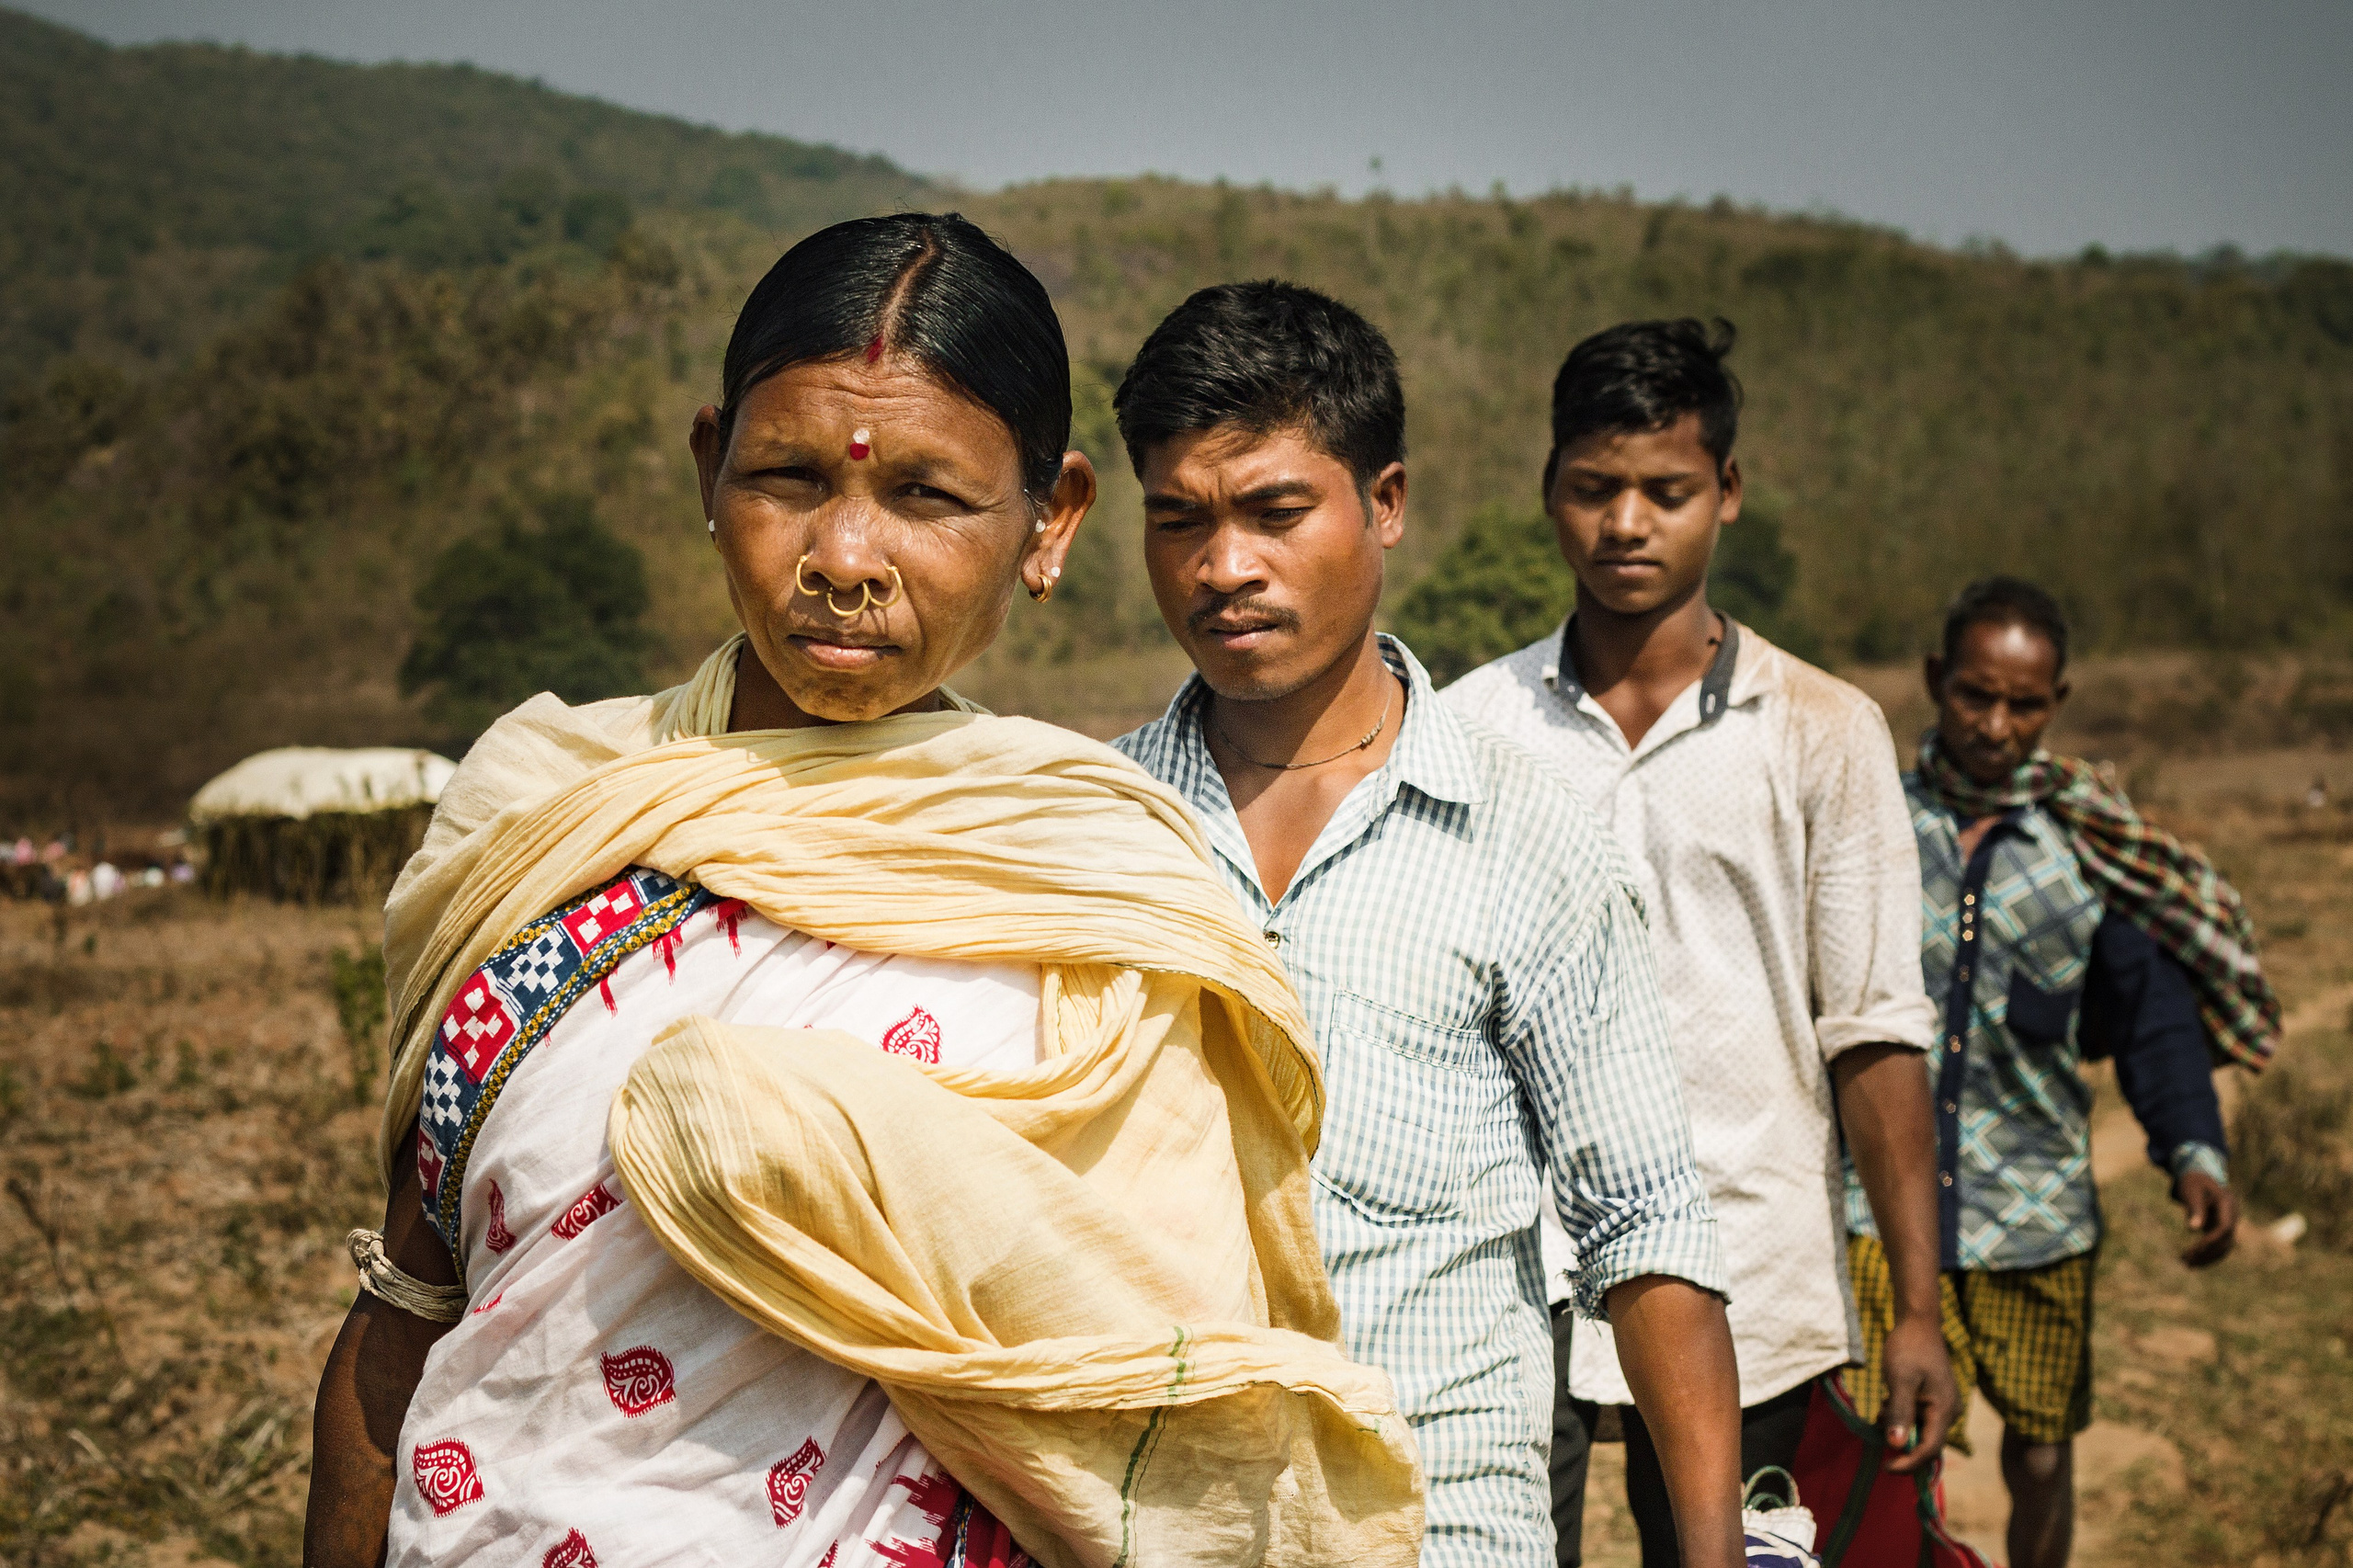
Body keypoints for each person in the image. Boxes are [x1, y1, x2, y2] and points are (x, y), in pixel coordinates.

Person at [304, 215, 1426, 1568]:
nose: (843, 555)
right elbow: (410, 1307)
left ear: (1049, 519)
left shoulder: (1098, 891)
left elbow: (1162, 1409)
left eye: (926, 497)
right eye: (785, 475)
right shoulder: (550, 813)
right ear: (710, 466)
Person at [1108, 281, 1747, 1568]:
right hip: (1154, 1526)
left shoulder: (1526, 836)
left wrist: (1717, 1552)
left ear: (1384, 503)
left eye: (1276, 512)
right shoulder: (1096, 829)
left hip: (1441, 1523)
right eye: (1179, 519)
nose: (1224, 566)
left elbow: (1645, 1225)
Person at [1443, 318, 1961, 1566]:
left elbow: (1875, 1032)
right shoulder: (1468, 725)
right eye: (1594, 489)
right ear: (1549, 491)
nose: (1628, 524)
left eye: (1665, 491)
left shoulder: (1823, 730)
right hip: (1524, 1282)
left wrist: (1918, 1310)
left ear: (1726, 493)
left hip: (1755, 1271)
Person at [1842, 574, 2274, 1568]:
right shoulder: (1869, 822)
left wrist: (2193, 1151)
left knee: (2038, 1454)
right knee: (1889, 1443)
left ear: (2056, 704)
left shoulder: (2090, 849)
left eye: (2023, 703)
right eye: (1973, 695)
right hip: (1873, 1209)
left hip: (2034, 1206)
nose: (1994, 724)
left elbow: (2154, 1021)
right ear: (1933, 680)